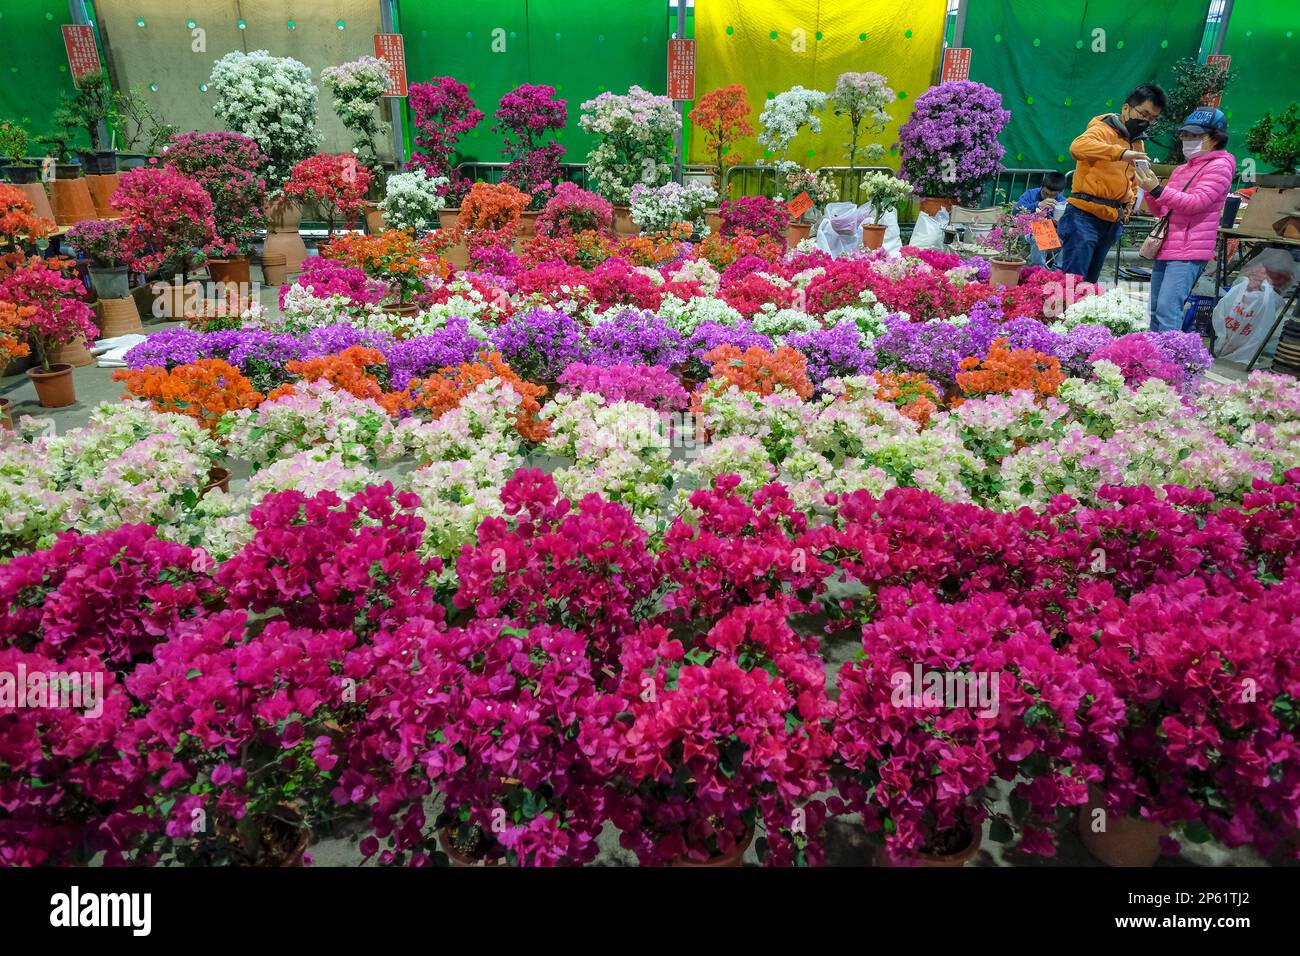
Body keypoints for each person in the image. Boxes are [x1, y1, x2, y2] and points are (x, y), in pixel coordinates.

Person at [1135, 106, 1235, 334]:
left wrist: (1158, 189)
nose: (1188, 140)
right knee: (1155, 310)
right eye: (1185, 135)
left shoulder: (1220, 166)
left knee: (1167, 309)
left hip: (1190, 249)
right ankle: (1150, 359)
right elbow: (1162, 210)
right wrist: (1150, 190)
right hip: (1167, 245)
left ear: (1215, 138)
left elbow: (1196, 203)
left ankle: (1171, 364)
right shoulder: (1181, 170)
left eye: (1197, 136)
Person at [1058, 84, 1166, 283]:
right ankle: (1061, 313)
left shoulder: (1137, 141)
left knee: (1090, 284)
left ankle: (1081, 313)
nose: (1146, 121)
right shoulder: (1102, 129)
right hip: (1084, 217)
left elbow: (1132, 179)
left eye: (1152, 118)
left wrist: (1128, 209)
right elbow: (1077, 146)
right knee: (1072, 283)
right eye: (1143, 114)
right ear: (1126, 108)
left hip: (1112, 221)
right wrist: (1121, 153)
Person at [1014, 171, 1068, 266]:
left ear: (1059, 193)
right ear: (1042, 187)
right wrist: (1037, 205)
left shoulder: (1061, 202)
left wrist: (1059, 222)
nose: (1048, 197)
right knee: (1041, 230)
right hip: (1028, 230)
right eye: (1045, 193)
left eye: (1052, 196)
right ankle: (1038, 269)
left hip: (1054, 233)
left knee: (1073, 236)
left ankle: (1059, 269)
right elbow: (1015, 211)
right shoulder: (1030, 194)